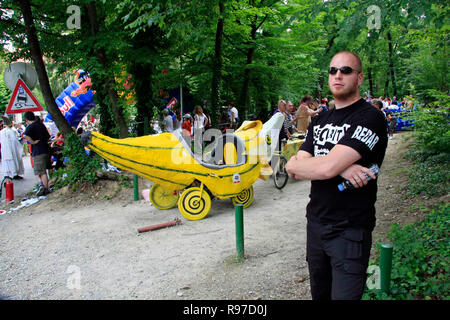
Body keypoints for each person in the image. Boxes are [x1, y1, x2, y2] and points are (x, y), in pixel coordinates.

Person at [285, 51, 388, 300]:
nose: (338, 75)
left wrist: (330, 165)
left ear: (360, 78)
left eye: (346, 70)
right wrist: (342, 166)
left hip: (349, 230)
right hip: (316, 225)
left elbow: (322, 168)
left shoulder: (370, 117)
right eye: (333, 70)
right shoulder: (320, 119)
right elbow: (292, 167)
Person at [23, 111, 52, 196]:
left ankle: (41, 185)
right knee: (45, 171)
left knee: (39, 172)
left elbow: (25, 136)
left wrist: (33, 142)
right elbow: (48, 136)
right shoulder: (41, 125)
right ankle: (46, 188)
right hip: (46, 149)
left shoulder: (30, 126)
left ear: (26, 119)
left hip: (38, 151)